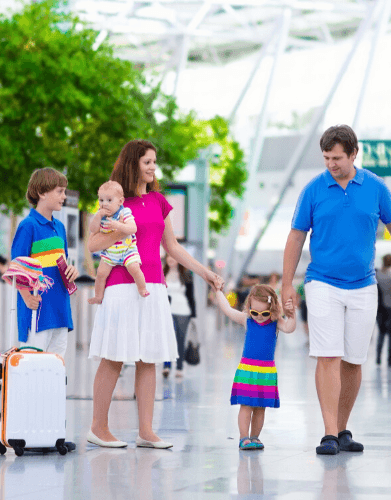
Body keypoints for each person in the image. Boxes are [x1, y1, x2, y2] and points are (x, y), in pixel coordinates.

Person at [281, 124, 391, 455]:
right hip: (321, 282)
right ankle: (329, 432)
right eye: (326, 158)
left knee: (353, 361)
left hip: (363, 284)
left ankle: (342, 428)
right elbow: (296, 236)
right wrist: (288, 282)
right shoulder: (314, 189)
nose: (331, 164)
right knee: (328, 355)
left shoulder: (375, 187)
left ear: (353, 153)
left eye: (336, 158)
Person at [87, 139, 223, 449]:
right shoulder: (114, 203)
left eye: (154, 161)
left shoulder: (159, 201)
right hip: (121, 285)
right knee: (114, 357)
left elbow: (172, 247)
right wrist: (120, 230)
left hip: (154, 287)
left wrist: (206, 274)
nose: (152, 167)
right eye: (147, 161)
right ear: (133, 162)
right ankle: (98, 427)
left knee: (149, 358)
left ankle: (146, 431)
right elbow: (93, 245)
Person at [215, 284, 296, 450]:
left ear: (272, 309)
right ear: (249, 308)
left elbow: (289, 328)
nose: (259, 317)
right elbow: (228, 310)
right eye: (255, 312)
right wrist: (218, 292)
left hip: (266, 372)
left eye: (265, 313)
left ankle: (255, 437)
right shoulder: (247, 319)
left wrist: (291, 314)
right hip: (248, 370)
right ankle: (243, 437)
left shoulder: (275, 322)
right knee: (246, 405)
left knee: (260, 408)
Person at [11, 167, 79, 356]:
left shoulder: (60, 227)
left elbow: (62, 263)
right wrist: (26, 297)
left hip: (60, 310)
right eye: (59, 191)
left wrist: (72, 272)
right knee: (33, 367)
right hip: (37, 313)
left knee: (56, 369)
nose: (64, 196)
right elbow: (16, 268)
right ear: (41, 192)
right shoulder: (28, 226)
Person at [88, 180, 149, 304]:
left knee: (134, 268)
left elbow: (133, 228)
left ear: (120, 201)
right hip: (110, 252)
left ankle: (142, 288)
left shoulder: (124, 212)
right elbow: (93, 229)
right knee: (100, 274)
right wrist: (97, 217)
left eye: (109, 200)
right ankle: (98, 296)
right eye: (101, 200)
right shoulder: (100, 216)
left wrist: (118, 225)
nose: (104, 204)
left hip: (127, 250)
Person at [162, 255, 196, 378]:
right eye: (169, 258)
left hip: (183, 310)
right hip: (166, 310)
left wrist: (193, 315)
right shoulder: (162, 273)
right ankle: (166, 366)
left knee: (180, 339)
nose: (171, 260)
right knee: (167, 339)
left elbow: (191, 296)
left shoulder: (185, 275)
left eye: (174, 257)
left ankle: (179, 367)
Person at [375, 254, 391, 367]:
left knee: (381, 333)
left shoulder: (377, 275)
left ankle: (378, 358)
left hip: (380, 308)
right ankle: (390, 360)